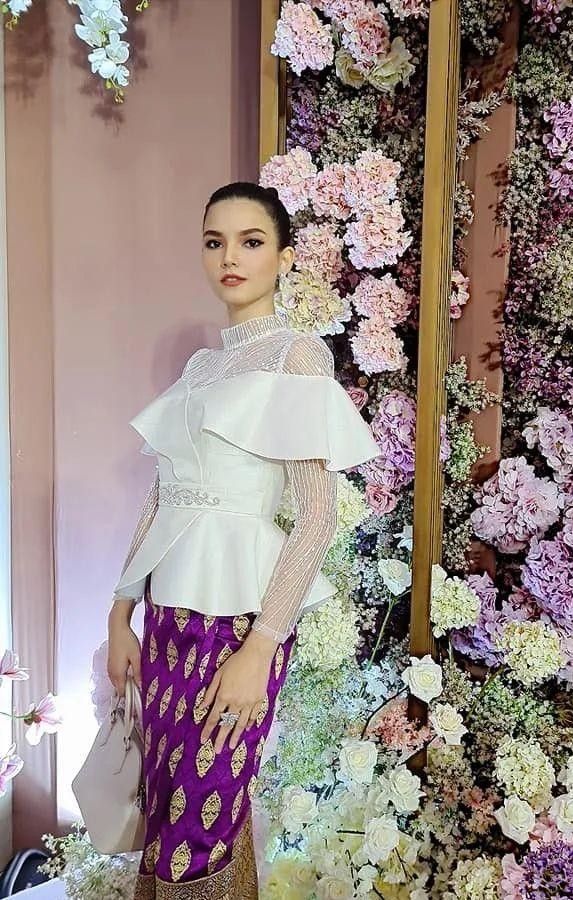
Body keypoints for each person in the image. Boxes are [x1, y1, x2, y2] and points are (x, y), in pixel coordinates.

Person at [105, 182, 381, 899]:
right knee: (169, 807)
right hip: (167, 615)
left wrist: (260, 648)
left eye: (251, 242)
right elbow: (162, 498)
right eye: (215, 241)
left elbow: (316, 517)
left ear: (284, 258)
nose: (230, 257)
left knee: (201, 824)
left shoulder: (297, 356)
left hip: (240, 625)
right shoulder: (200, 368)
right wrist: (119, 613)